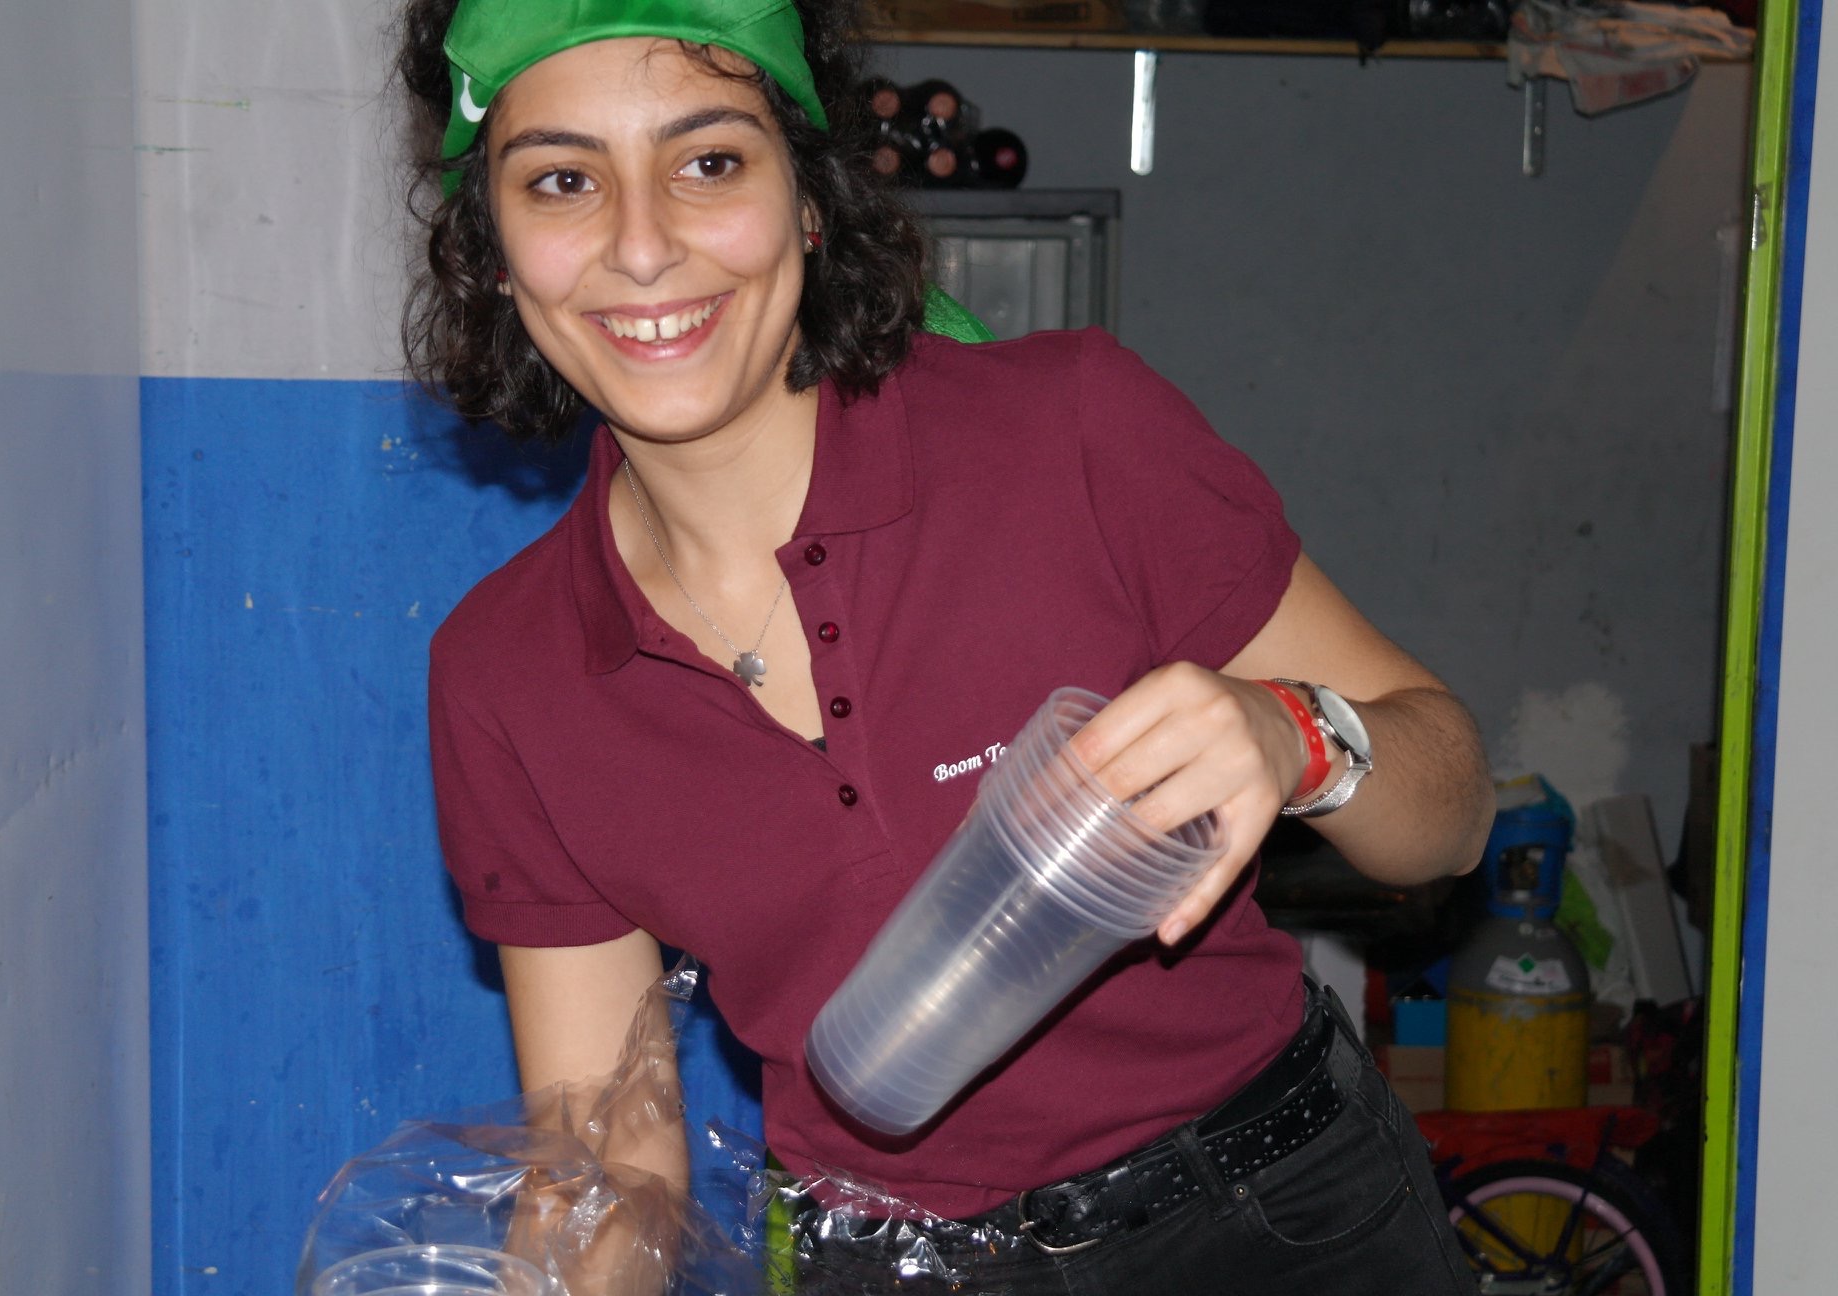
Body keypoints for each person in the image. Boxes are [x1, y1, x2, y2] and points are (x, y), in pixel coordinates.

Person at [399, 0, 1495, 1290]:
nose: (643, 246)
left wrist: (1297, 733)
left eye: (709, 161)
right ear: (494, 247)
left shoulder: (1070, 432)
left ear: (808, 199)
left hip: (1281, 1221)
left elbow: (1451, 815)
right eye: (564, 181)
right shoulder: (507, 673)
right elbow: (613, 1162)